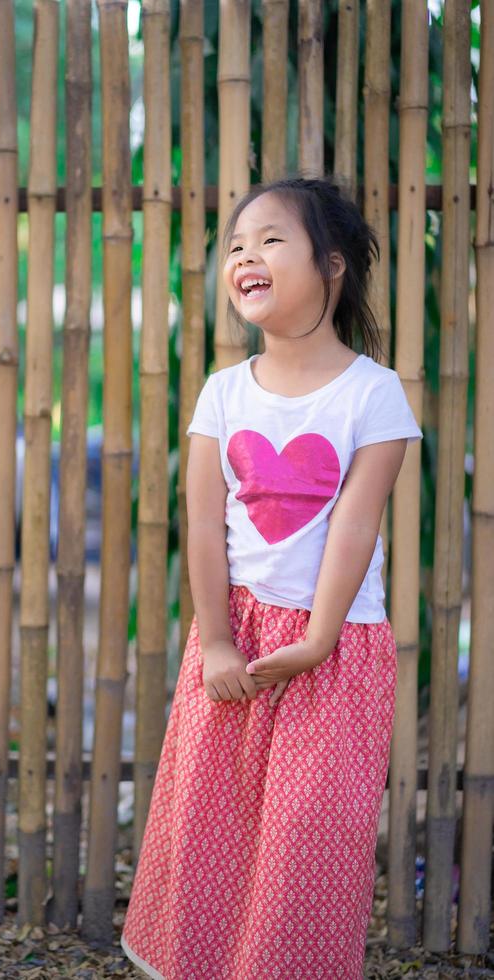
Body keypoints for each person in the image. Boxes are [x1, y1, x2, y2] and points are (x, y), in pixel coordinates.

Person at [120, 175, 423, 979]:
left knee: (306, 849)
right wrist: (217, 640)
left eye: (270, 240)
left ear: (331, 265)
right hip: (237, 646)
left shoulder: (374, 395)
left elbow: (355, 527)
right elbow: (204, 530)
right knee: (212, 839)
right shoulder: (222, 394)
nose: (246, 256)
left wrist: (317, 640)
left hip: (334, 651)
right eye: (235, 246)